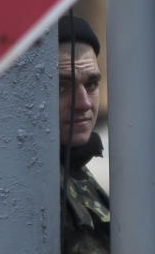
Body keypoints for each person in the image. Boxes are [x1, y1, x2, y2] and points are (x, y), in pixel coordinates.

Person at [58, 14, 110, 253]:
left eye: (90, 85)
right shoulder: (26, 182)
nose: (84, 104)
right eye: (61, 87)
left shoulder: (77, 167)